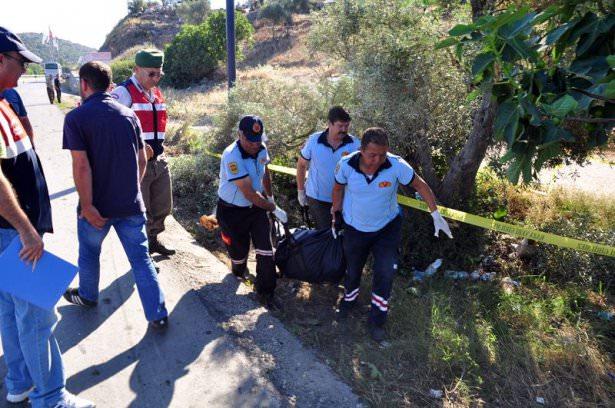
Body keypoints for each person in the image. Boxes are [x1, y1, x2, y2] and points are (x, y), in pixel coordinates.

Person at [0, 27, 95, 408]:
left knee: (11, 309)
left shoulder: (4, 100)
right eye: (20, 63)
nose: (24, 71)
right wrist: (27, 230)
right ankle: (51, 397)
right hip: (12, 232)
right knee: (38, 315)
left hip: (10, 232)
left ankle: (20, 382)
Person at [62, 61, 168, 331]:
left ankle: (87, 296)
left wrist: (87, 205)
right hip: (130, 205)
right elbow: (142, 157)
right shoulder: (128, 115)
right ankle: (157, 314)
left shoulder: (76, 118)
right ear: (110, 85)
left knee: (88, 253)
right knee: (141, 260)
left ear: (84, 85)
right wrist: (132, 188)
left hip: (96, 207)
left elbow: (81, 165)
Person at [332, 127, 452, 342]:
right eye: (372, 154)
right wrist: (336, 212)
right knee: (353, 269)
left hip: (386, 228)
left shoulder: (396, 165)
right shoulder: (346, 165)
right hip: (354, 227)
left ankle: (377, 321)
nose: (377, 160)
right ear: (361, 150)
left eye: (382, 154)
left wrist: (435, 214)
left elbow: (420, 185)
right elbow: (338, 188)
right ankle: (349, 302)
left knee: (385, 273)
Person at [216, 115, 288, 309]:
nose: (255, 145)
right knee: (238, 255)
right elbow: (249, 193)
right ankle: (239, 270)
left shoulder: (261, 148)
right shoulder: (232, 155)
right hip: (232, 212)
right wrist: (273, 208)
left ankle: (266, 292)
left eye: (258, 140)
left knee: (265, 250)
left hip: (255, 210)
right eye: (250, 140)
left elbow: (265, 173)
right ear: (239, 134)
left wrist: (271, 198)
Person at [111, 49, 175, 258]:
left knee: (163, 207)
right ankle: (143, 253)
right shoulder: (123, 93)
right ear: (136, 70)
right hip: (137, 163)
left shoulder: (155, 92)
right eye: (151, 74)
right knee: (142, 211)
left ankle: (154, 241)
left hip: (159, 161)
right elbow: (112, 128)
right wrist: (137, 148)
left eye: (159, 74)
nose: (156, 79)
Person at [296, 106, 360, 230]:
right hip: (318, 198)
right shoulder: (314, 140)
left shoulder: (354, 144)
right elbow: (301, 164)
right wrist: (300, 191)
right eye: (340, 126)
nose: (344, 130)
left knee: (343, 235)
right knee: (325, 235)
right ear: (329, 124)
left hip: (343, 199)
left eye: (346, 126)